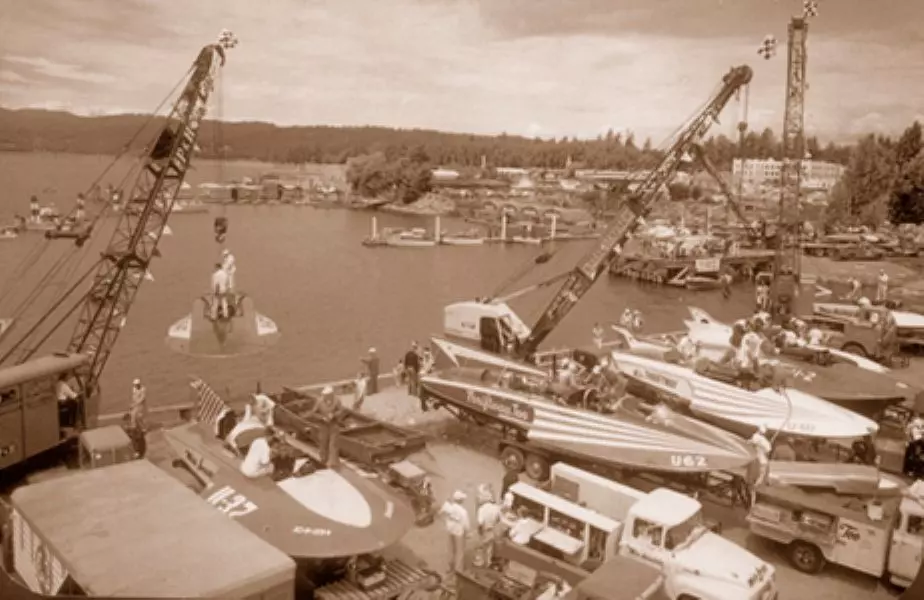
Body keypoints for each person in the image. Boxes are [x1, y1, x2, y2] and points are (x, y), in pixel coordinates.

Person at [438, 490, 471, 576]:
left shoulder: (448, 507)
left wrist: (445, 521)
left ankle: (449, 567)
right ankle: (458, 570)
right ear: (461, 500)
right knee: (459, 552)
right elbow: (466, 524)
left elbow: (440, 513)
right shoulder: (463, 512)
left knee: (450, 550)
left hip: (450, 530)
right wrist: (467, 533)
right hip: (459, 532)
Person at [475, 485, 502, 567]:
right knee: (489, 548)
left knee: (480, 547)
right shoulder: (496, 508)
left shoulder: (482, 509)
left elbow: (480, 522)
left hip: (484, 531)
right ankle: (488, 562)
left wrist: (479, 531)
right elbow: (498, 519)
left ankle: (479, 562)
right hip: (492, 530)